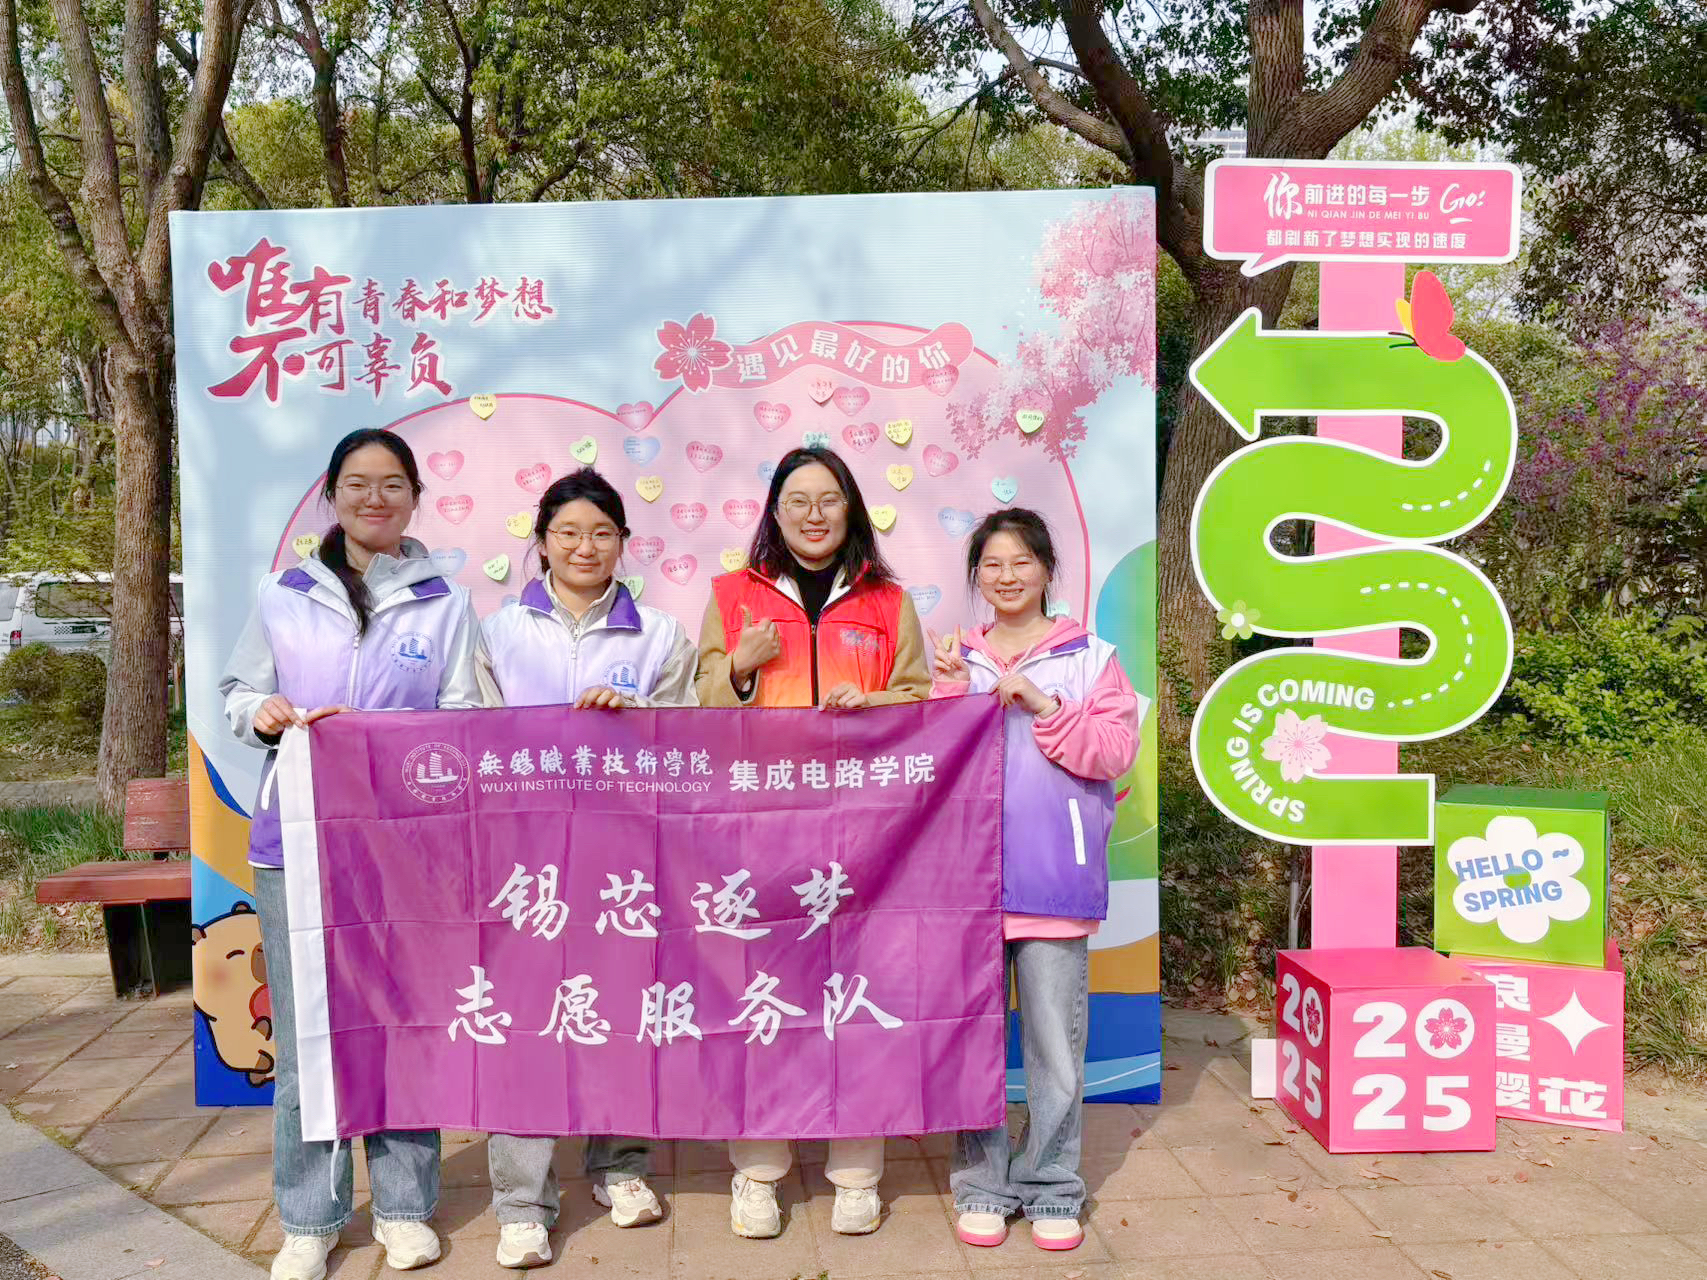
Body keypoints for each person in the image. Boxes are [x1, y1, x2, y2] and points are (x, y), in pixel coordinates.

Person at [221, 428, 483, 1280]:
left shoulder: (445, 603)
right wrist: (264, 714)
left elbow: (461, 717)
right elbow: (238, 693)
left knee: (402, 1024)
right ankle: (310, 1217)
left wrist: (393, 742)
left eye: (393, 483)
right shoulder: (284, 593)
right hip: (295, 840)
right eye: (359, 483)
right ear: (331, 495)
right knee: (309, 1035)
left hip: (403, 851)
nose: (376, 498)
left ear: (414, 499)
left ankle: (405, 1208)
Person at [694, 445, 930, 1239]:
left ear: (850, 508)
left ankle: (856, 1173)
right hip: (759, 831)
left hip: (866, 837)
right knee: (763, 999)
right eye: (796, 500)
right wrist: (740, 667)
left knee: (856, 998)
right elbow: (697, 710)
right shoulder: (732, 596)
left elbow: (921, 700)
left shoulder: (888, 601)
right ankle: (758, 1170)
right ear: (774, 511)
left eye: (828, 499)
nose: (813, 514)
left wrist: (873, 702)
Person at [475, 467, 696, 1268]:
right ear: (541, 543)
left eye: (602, 533)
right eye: (567, 532)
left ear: (623, 544)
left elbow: (691, 741)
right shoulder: (497, 633)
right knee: (523, 1022)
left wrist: (638, 719)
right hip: (524, 862)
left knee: (623, 1010)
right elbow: (469, 735)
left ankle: (620, 1164)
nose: (584, 546)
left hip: (623, 860)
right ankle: (522, 1202)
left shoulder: (661, 635)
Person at [930, 507, 1139, 1253]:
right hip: (967, 884)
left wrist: (1045, 704)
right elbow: (927, 763)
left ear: (1047, 569)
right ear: (976, 577)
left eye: (1021, 561)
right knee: (975, 1044)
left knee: (1054, 1047)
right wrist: (947, 696)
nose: (1007, 575)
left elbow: (1115, 751)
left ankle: (1051, 1185)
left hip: (1054, 880)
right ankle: (982, 1185)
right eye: (992, 564)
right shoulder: (955, 656)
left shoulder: (1092, 658)